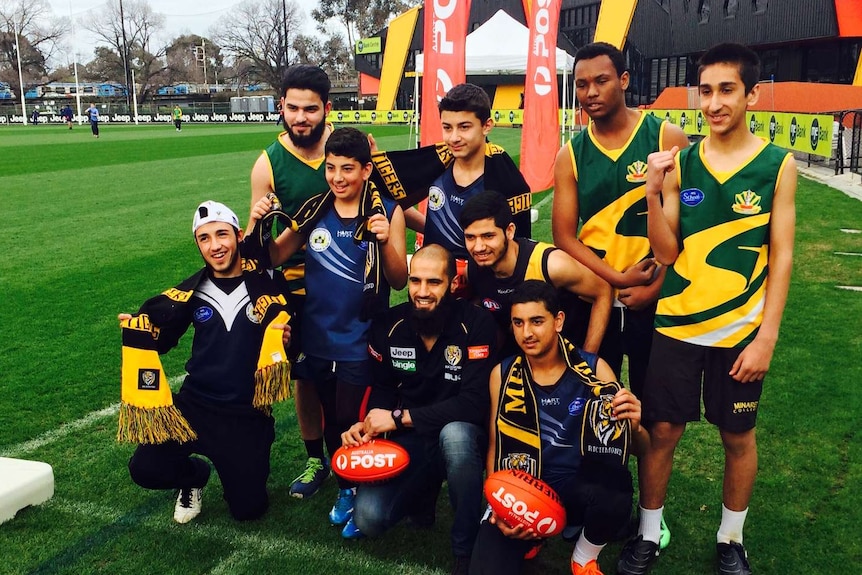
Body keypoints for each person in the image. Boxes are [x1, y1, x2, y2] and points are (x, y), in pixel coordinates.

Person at [620, 43, 797, 575]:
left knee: (737, 436)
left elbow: (783, 256)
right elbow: (667, 252)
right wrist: (653, 192)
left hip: (741, 333)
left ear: (752, 95)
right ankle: (649, 534)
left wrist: (765, 338)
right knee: (664, 430)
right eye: (706, 91)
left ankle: (731, 540)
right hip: (676, 325)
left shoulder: (776, 164)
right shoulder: (682, 163)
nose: (714, 103)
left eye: (727, 90)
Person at [553, 42, 689, 550]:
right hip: (597, 302)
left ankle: (652, 518)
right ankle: (604, 502)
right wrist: (615, 278)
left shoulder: (665, 135)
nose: (590, 92)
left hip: (658, 300)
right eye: (582, 84)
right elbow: (564, 235)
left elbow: (691, 225)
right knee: (598, 409)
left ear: (626, 80)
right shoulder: (571, 153)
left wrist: (653, 283)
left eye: (601, 81)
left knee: (656, 414)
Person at [252, 126, 408, 533]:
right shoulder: (314, 208)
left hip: (360, 340)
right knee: (327, 418)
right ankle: (344, 486)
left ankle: (360, 485)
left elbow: (398, 279)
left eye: (348, 169)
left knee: (349, 420)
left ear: (367, 170)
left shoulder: (385, 211)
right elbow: (272, 255)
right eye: (332, 169)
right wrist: (259, 222)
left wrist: (387, 240)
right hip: (317, 336)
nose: (338, 178)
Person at [122, 201, 291, 523]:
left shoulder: (266, 283)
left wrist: (287, 342)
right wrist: (139, 331)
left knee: (248, 509)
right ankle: (193, 477)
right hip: (194, 405)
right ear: (198, 244)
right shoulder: (191, 291)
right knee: (144, 468)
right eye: (205, 238)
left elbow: (293, 342)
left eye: (222, 235)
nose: (215, 246)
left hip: (245, 414)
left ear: (238, 236)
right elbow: (162, 338)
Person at [470, 280, 649, 575]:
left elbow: (641, 449)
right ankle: (531, 538)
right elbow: (495, 445)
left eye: (537, 321)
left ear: (558, 321)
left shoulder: (594, 370)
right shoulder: (501, 375)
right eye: (518, 323)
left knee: (615, 487)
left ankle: (583, 557)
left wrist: (635, 425)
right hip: (525, 488)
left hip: (577, 488)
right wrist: (498, 506)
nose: (526, 333)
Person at [341, 244, 498, 575]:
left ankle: (466, 548)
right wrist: (367, 425)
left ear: (453, 284)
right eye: (415, 281)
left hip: (463, 434)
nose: (422, 292)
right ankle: (422, 499)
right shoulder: (388, 325)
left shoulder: (478, 324)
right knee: (368, 518)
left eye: (433, 283)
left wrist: (399, 418)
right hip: (410, 439)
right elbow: (383, 389)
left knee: (454, 436)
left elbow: (473, 404)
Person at [247, 64, 336, 500]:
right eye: (293, 108)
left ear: (327, 109)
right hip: (298, 285)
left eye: (311, 109)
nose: (301, 118)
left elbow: (387, 202)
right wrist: (258, 220)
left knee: (356, 371)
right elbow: (256, 246)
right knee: (305, 376)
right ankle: (315, 458)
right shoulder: (267, 163)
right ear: (280, 106)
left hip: (351, 280)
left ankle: (353, 450)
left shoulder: (348, 148)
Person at [460, 189, 612, 359]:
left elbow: (603, 291)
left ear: (510, 231)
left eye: (488, 236)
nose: (479, 247)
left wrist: (587, 359)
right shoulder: (474, 270)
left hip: (568, 357)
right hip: (526, 360)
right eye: (471, 237)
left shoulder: (551, 264)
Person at [424, 83, 532, 262]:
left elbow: (519, 251)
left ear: (487, 126)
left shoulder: (508, 183)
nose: (454, 138)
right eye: (447, 127)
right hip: (433, 284)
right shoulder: (436, 166)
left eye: (464, 127)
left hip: (483, 287)